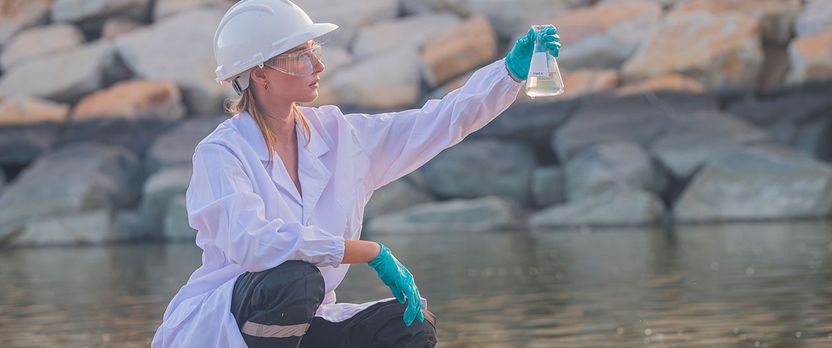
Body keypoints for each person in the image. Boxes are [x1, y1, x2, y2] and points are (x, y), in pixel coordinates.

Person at [151, 0, 561, 347]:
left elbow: (436, 123)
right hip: (224, 329)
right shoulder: (221, 154)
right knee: (294, 279)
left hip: (301, 323)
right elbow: (254, 244)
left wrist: (509, 73)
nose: (318, 64)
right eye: (300, 55)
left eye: (314, 50)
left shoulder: (340, 136)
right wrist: (371, 252)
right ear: (259, 74)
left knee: (410, 325)